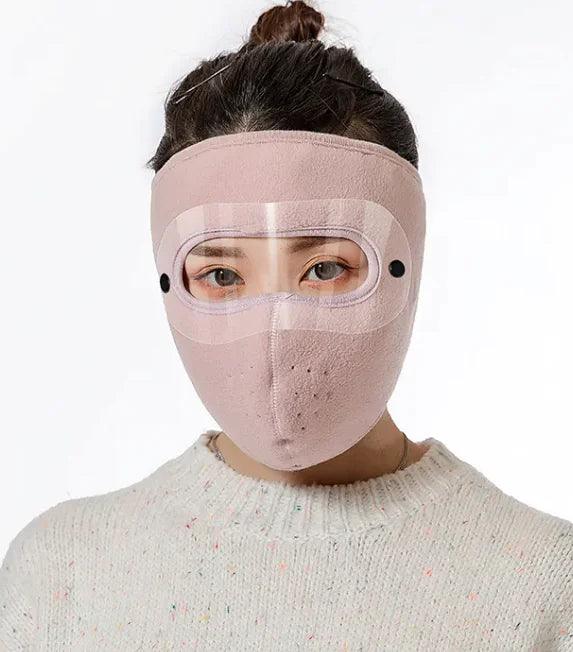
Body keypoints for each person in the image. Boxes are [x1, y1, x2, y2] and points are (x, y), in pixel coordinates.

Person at [1, 2, 571, 650]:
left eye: (325, 268)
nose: (275, 330)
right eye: (221, 275)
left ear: (406, 265)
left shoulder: (545, 590)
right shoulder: (62, 578)